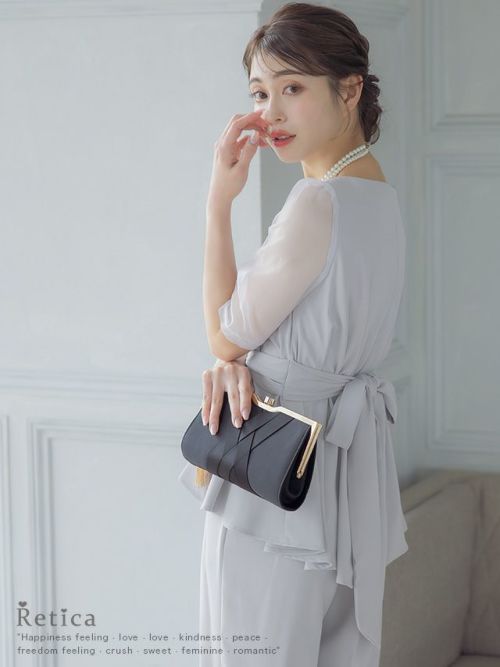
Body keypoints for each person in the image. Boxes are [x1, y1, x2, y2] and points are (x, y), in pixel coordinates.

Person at [178, 2, 409, 665]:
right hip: (340, 471)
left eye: (293, 88)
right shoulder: (380, 198)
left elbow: (225, 336)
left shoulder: (318, 201)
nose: (271, 112)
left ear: (350, 89)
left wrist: (219, 201)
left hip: (276, 469)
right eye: (259, 93)